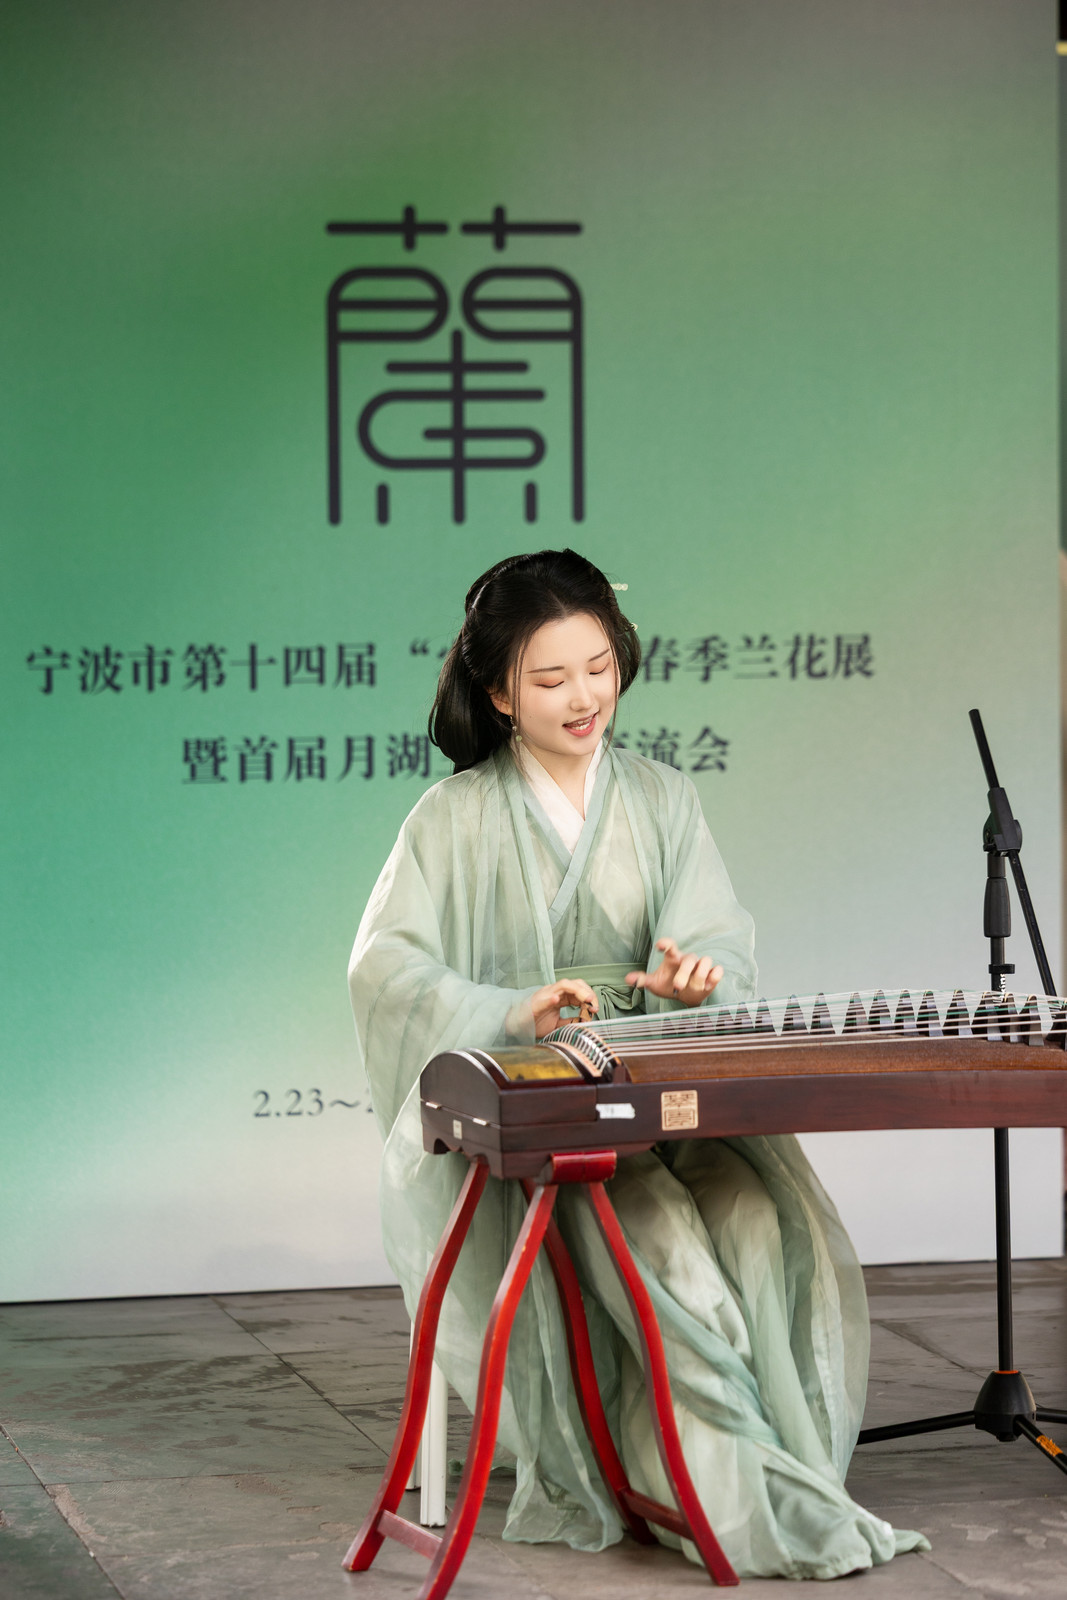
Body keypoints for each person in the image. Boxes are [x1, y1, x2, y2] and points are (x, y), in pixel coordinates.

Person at [348, 549, 927, 1579]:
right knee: (664, 1245)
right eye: (549, 678)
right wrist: (511, 1010)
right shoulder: (451, 816)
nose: (583, 697)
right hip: (542, 1116)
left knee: (760, 1221)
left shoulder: (662, 798)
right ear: (498, 694)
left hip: (661, 1087)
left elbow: (714, 940)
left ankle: (782, 1463)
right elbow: (386, 971)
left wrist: (693, 978)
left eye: (597, 667)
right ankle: (712, 1486)